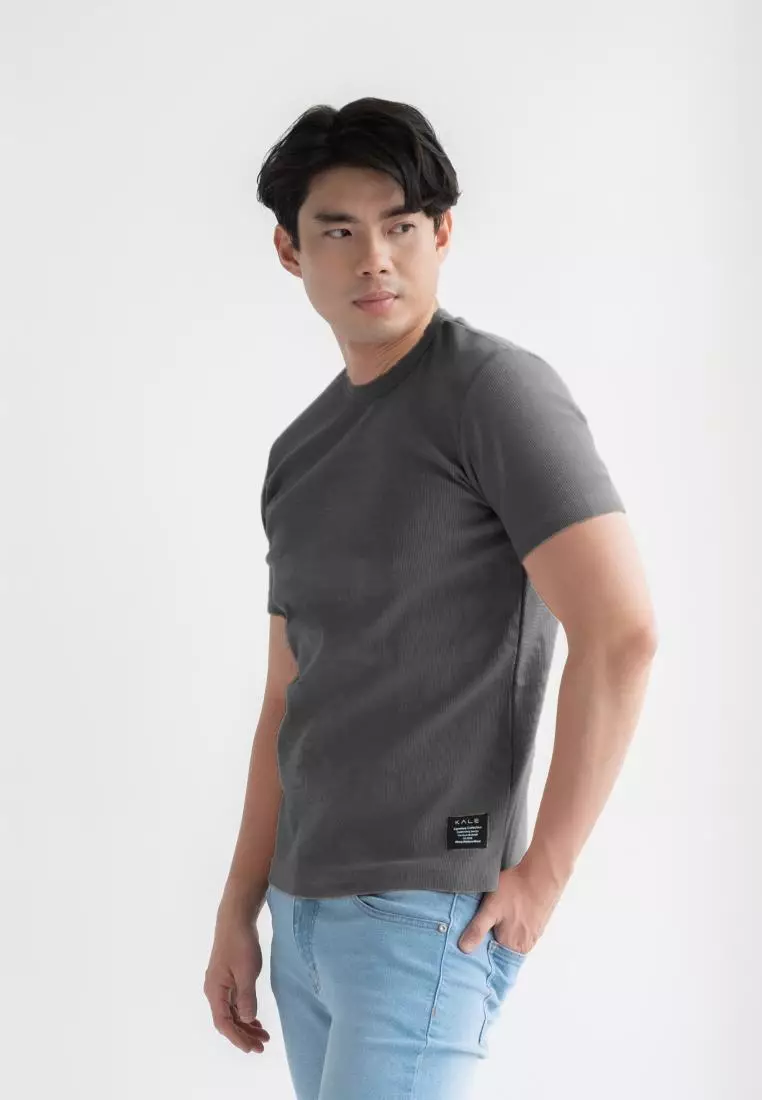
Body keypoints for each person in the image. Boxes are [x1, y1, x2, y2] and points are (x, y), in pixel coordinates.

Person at [204, 97, 658, 1099]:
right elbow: (286, 697)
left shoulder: (493, 392)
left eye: (401, 225)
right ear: (290, 251)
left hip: (425, 912)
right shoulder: (296, 454)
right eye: (339, 232)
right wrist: (241, 903)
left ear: (441, 233)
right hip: (302, 910)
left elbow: (622, 633)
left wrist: (543, 878)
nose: (375, 259)